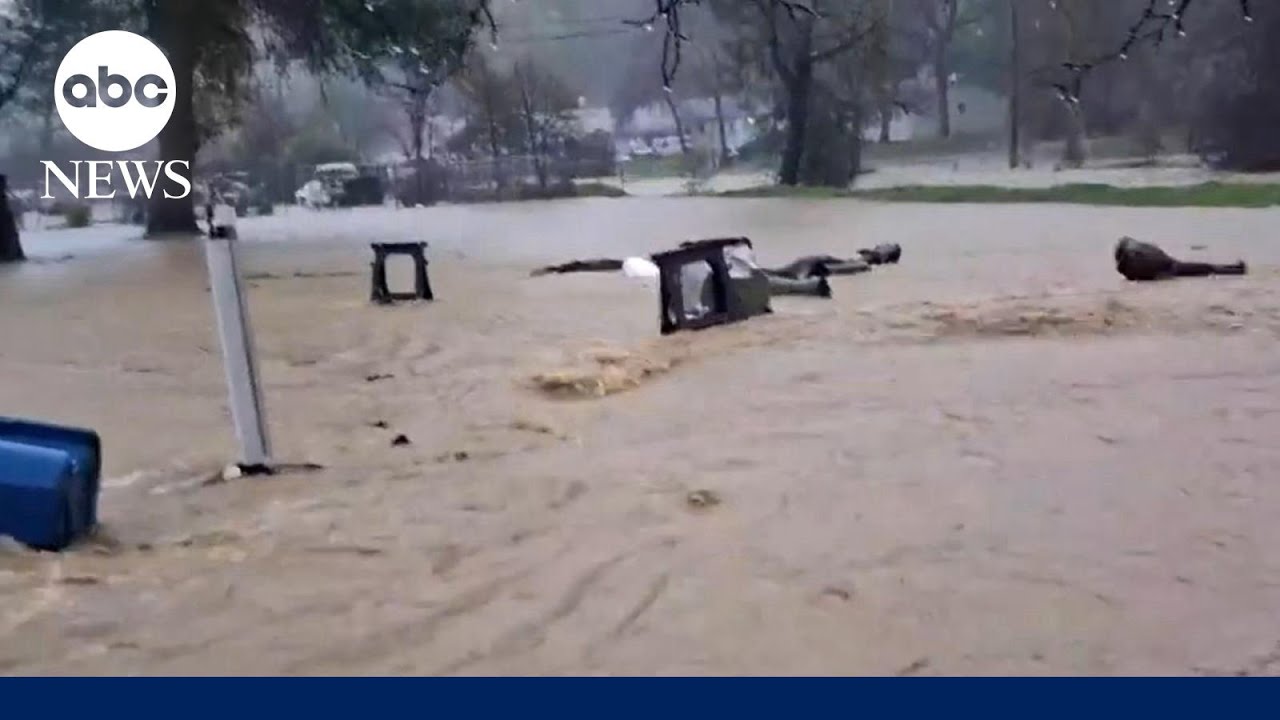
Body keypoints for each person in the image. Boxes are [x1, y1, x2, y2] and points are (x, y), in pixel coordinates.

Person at [1114, 236, 1246, 282]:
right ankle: (1235, 270)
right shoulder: (1134, 254)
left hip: (1169, 267)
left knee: (1206, 268)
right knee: (1207, 268)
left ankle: (1235, 269)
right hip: (1170, 267)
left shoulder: (1130, 264)